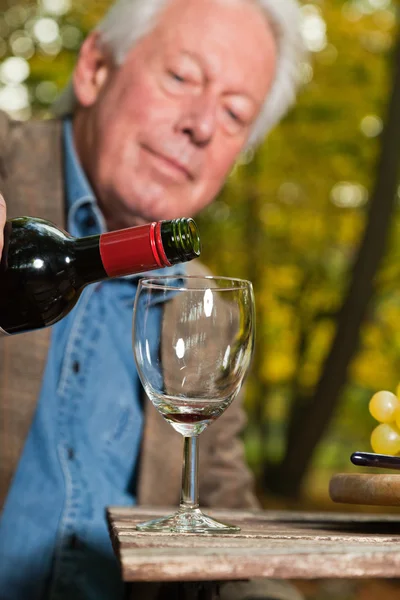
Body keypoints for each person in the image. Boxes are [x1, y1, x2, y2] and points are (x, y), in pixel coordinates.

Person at [0, 0, 304, 598]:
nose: (202, 125)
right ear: (94, 68)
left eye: (236, 113)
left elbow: (230, 529)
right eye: (182, 77)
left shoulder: (207, 307)